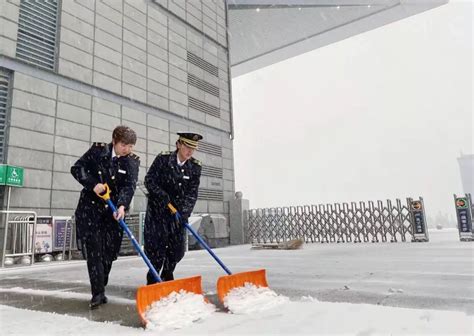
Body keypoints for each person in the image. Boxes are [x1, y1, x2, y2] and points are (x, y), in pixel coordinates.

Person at [71, 126, 139, 309]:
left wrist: (123, 205)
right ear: (114, 141)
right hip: (91, 211)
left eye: (131, 146)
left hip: (113, 214)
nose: (127, 149)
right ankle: (98, 293)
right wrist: (93, 185)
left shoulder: (132, 162)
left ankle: (101, 282)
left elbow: (129, 186)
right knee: (94, 253)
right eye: (124, 145)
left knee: (108, 255)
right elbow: (77, 169)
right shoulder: (98, 151)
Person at [144, 132, 202, 284]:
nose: (190, 151)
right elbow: (149, 180)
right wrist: (161, 195)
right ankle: (153, 279)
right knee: (156, 250)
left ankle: (167, 274)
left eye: (193, 148)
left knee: (177, 251)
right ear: (178, 145)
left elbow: (192, 193)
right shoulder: (163, 159)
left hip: (178, 215)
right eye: (187, 147)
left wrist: (185, 212)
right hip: (158, 213)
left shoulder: (195, 167)